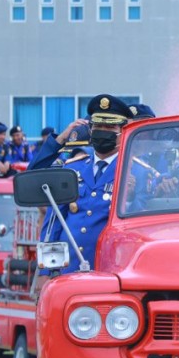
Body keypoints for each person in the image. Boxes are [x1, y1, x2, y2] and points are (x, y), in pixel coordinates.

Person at [38, 94, 134, 274]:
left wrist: (131, 196)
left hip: (112, 273)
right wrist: (46, 271)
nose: (102, 130)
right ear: (90, 129)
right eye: (97, 125)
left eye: (110, 126)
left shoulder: (136, 172)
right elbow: (54, 222)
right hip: (70, 271)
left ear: (124, 131)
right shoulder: (73, 169)